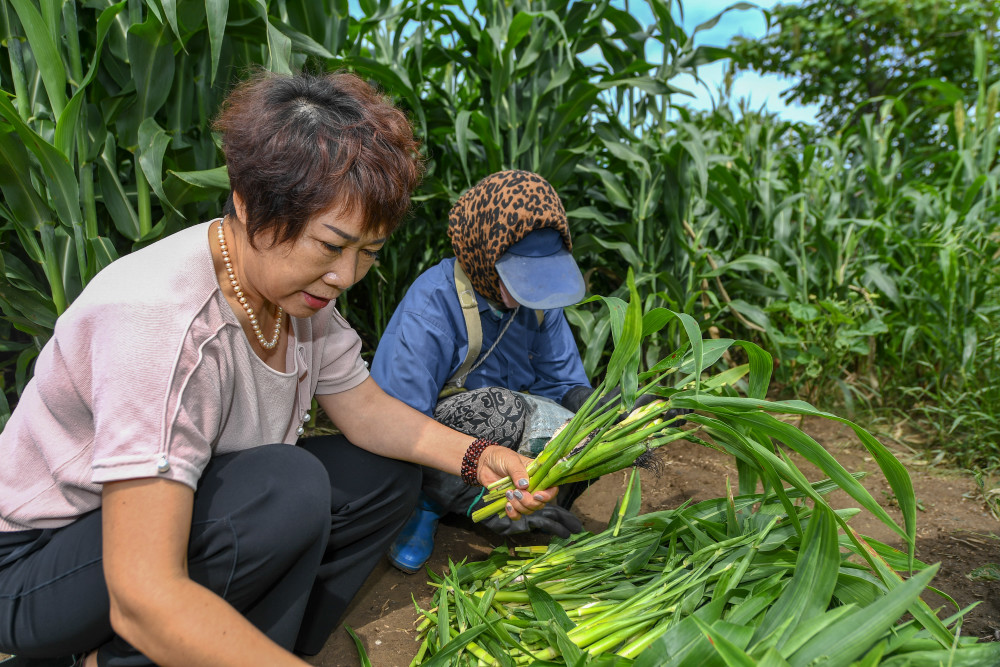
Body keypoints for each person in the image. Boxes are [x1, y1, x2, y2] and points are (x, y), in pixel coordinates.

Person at [0, 72, 557, 666]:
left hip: (172, 509)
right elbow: (142, 591)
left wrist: (480, 460)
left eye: (367, 252)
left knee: (384, 481)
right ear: (250, 206)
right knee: (283, 489)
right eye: (330, 245)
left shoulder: (299, 298)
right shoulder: (159, 323)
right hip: (40, 564)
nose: (346, 275)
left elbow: (365, 413)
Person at [371, 170, 600, 574]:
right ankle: (426, 508)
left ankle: (523, 503)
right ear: (482, 251)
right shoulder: (433, 305)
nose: (532, 292)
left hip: (510, 448)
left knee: (596, 427)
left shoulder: (543, 307)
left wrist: (590, 404)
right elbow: (395, 418)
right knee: (502, 410)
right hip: (442, 446)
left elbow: (562, 381)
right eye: (521, 276)